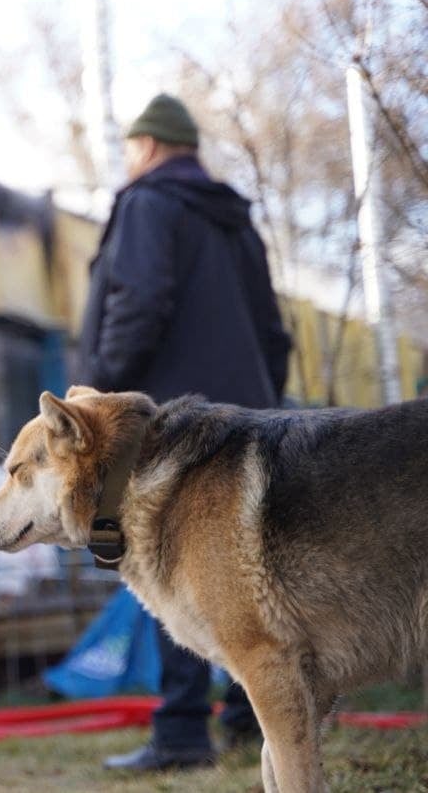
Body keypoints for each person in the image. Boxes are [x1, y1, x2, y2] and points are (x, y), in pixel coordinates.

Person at [79, 94, 291, 772]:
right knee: (249, 570)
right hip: (247, 419)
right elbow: (272, 328)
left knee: (170, 560)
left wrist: (98, 396)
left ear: (146, 146)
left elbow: (138, 302)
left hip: (166, 420)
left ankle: (179, 731)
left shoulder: (147, 203)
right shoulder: (236, 220)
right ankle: (250, 719)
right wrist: (264, 403)